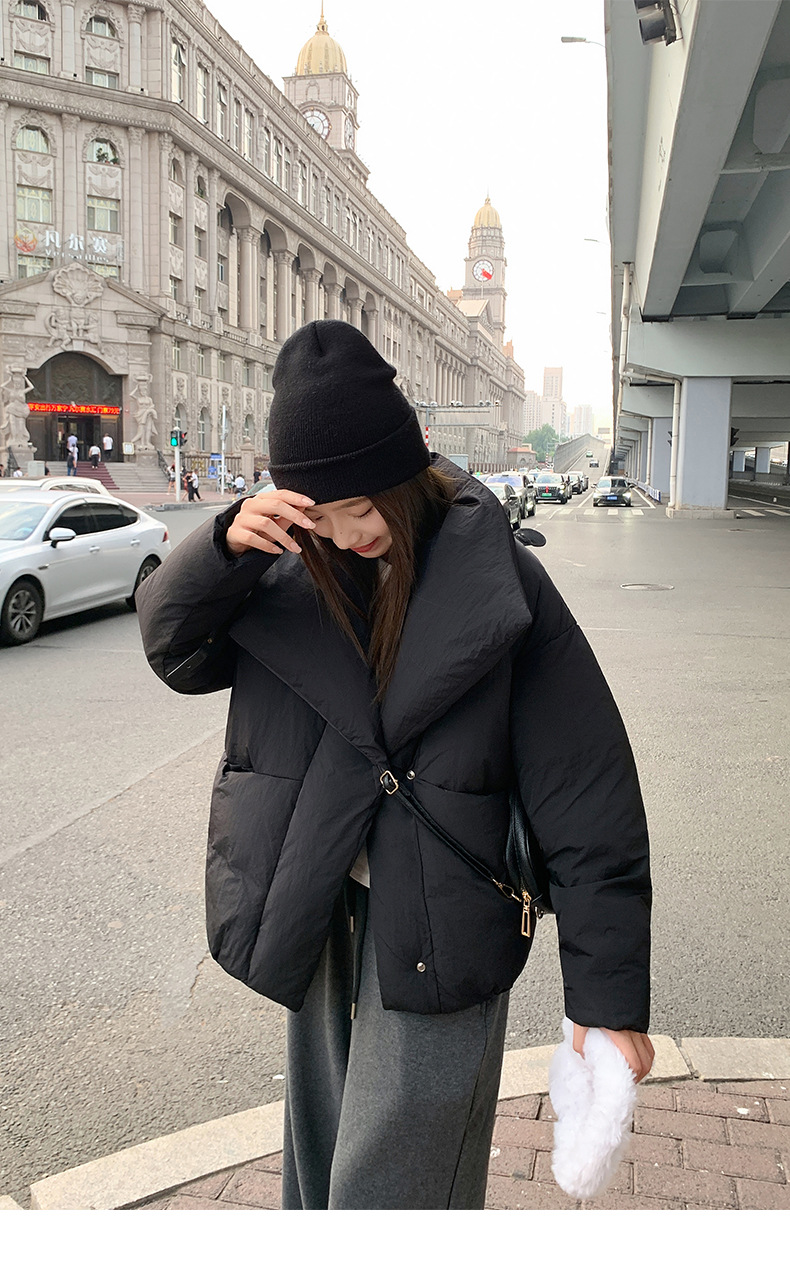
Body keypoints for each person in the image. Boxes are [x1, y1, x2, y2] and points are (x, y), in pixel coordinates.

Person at [136, 321, 653, 1211]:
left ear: (403, 474)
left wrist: (608, 994)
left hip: (447, 914)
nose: (346, 534)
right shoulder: (284, 569)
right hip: (317, 897)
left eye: (362, 507)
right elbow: (173, 649)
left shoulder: (497, 581)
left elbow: (585, 782)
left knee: (401, 1184)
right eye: (319, 513)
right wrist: (221, 548)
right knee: (324, 1163)